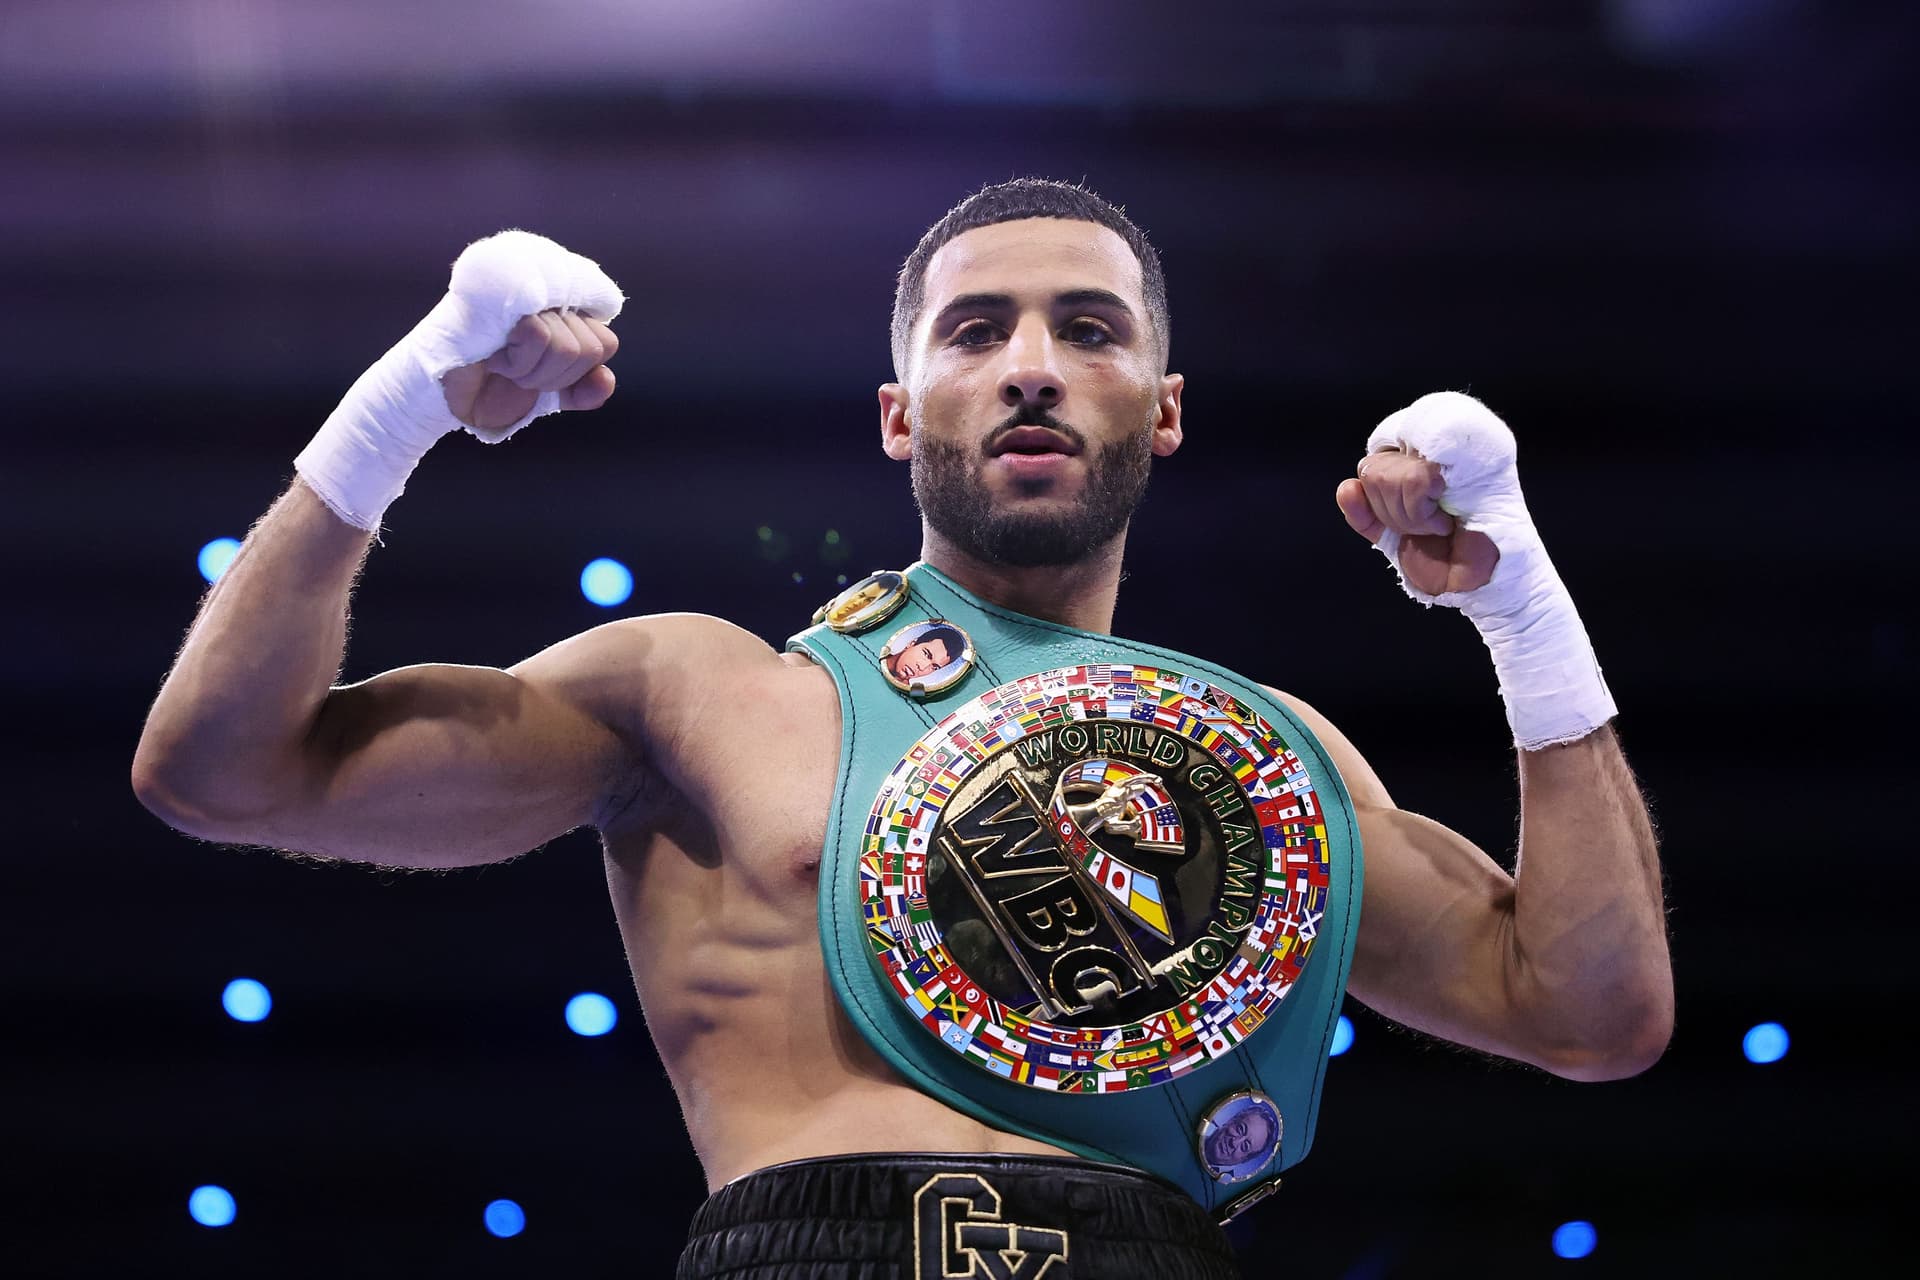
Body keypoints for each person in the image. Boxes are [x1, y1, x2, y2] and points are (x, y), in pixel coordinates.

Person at [133, 179, 1672, 1279]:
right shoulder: (699, 690)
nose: (1029, 365)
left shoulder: (1272, 757)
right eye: (974, 331)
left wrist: (1524, 612)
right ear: (898, 410)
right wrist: (402, 404)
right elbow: (222, 772)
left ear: (1163, 404)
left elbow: (1589, 1011)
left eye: (1089, 329)